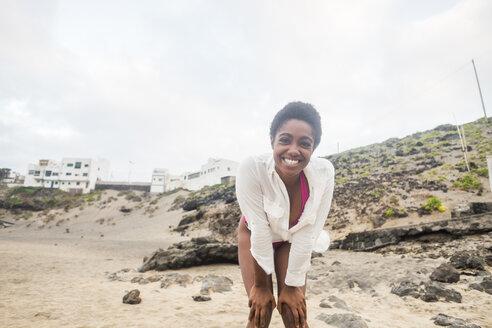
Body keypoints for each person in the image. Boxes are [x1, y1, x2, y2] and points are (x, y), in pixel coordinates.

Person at [236, 101, 335, 328]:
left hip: (291, 240)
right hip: (253, 236)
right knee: (261, 311)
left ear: (313, 148)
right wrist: (261, 286)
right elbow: (259, 229)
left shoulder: (324, 174)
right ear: (272, 141)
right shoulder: (252, 168)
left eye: (304, 143)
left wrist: (291, 286)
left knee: (294, 313)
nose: (293, 150)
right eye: (284, 140)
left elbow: (309, 231)